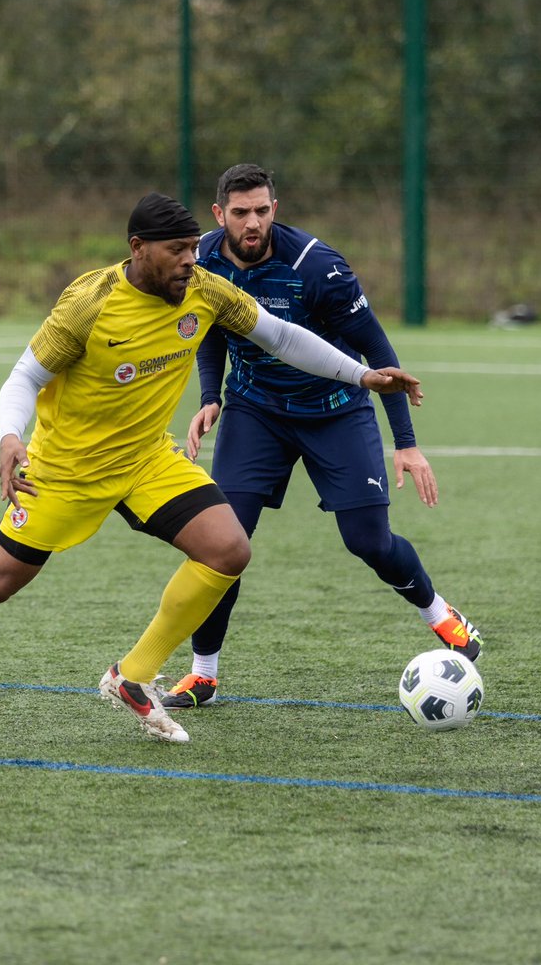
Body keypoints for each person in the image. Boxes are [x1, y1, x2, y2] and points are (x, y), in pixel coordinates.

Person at [0, 193, 423, 745]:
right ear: (138, 248)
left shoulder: (207, 292)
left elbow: (282, 337)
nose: (191, 262)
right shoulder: (89, 303)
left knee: (228, 550)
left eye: (195, 249)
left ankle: (133, 677)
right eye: (177, 251)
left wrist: (363, 375)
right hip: (65, 470)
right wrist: (10, 437)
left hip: (146, 460)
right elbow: (24, 377)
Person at [161, 165, 481, 711]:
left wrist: (404, 440)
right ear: (220, 215)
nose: (253, 222)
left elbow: (378, 353)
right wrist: (210, 396)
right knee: (221, 546)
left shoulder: (318, 267)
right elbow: (213, 328)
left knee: (368, 541)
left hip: (336, 412)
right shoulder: (205, 260)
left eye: (263, 210)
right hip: (255, 413)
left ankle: (440, 613)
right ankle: (204, 673)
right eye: (241, 212)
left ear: (274, 208)